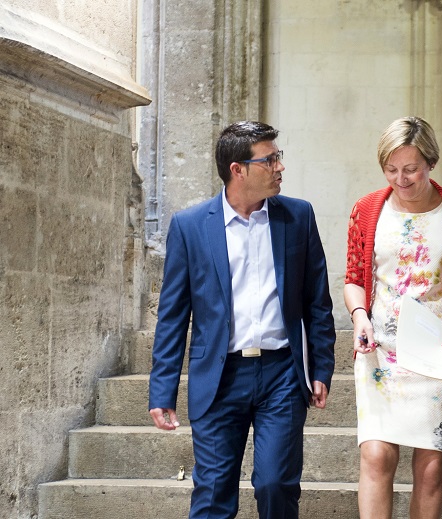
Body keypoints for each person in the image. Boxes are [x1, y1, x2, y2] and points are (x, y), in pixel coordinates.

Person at [148, 121, 336, 519]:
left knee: (275, 486)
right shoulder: (191, 226)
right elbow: (172, 314)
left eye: (278, 157)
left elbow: (317, 301)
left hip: (282, 374)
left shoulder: (298, 217)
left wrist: (321, 367)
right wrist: (162, 389)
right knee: (213, 493)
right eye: (270, 160)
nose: (280, 167)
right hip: (219, 377)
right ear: (238, 169)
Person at [343, 116, 442, 519]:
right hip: (381, 353)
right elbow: (354, 278)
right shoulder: (368, 210)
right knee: (375, 457)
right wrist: (360, 317)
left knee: (431, 470)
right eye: (391, 170)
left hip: (438, 353)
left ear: (431, 163)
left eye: (411, 169)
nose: (400, 179)